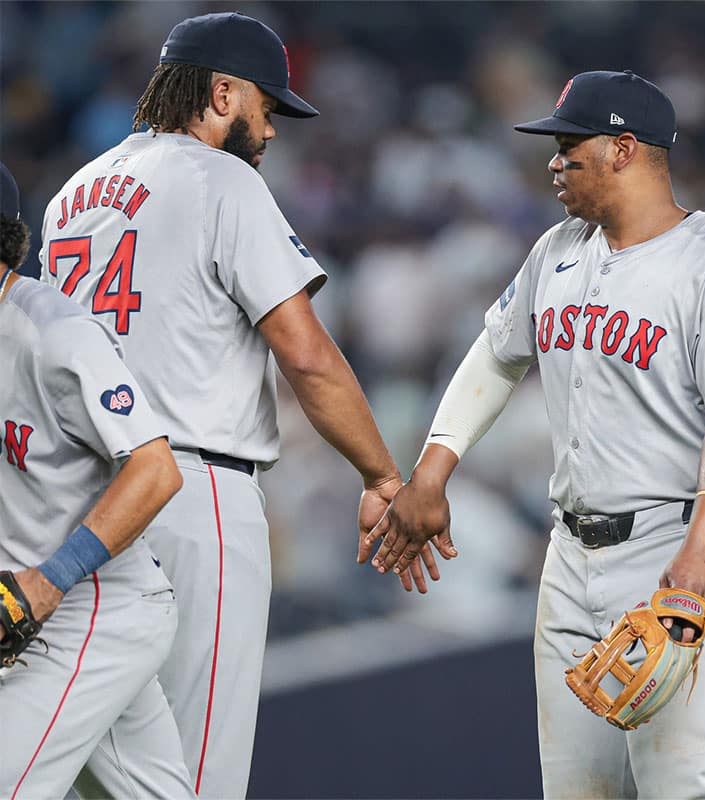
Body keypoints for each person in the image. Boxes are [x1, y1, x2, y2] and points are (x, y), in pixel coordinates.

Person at [38, 13, 440, 798]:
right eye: (266, 106)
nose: (272, 129)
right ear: (221, 92)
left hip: (75, 508)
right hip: (190, 497)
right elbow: (306, 355)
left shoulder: (69, 195)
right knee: (196, 776)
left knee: (106, 777)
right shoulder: (223, 181)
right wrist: (383, 476)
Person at [362, 70, 705, 797]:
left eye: (569, 147)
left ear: (625, 149)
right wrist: (432, 472)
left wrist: (701, 550)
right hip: (570, 558)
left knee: (685, 787)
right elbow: (496, 356)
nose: (554, 162)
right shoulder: (557, 248)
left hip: (676, 546)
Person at [0, 162, 194, 798]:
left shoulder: (54, 333)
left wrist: (49, 581)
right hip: (40, 620)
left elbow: (155, 469)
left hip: (93, 612)